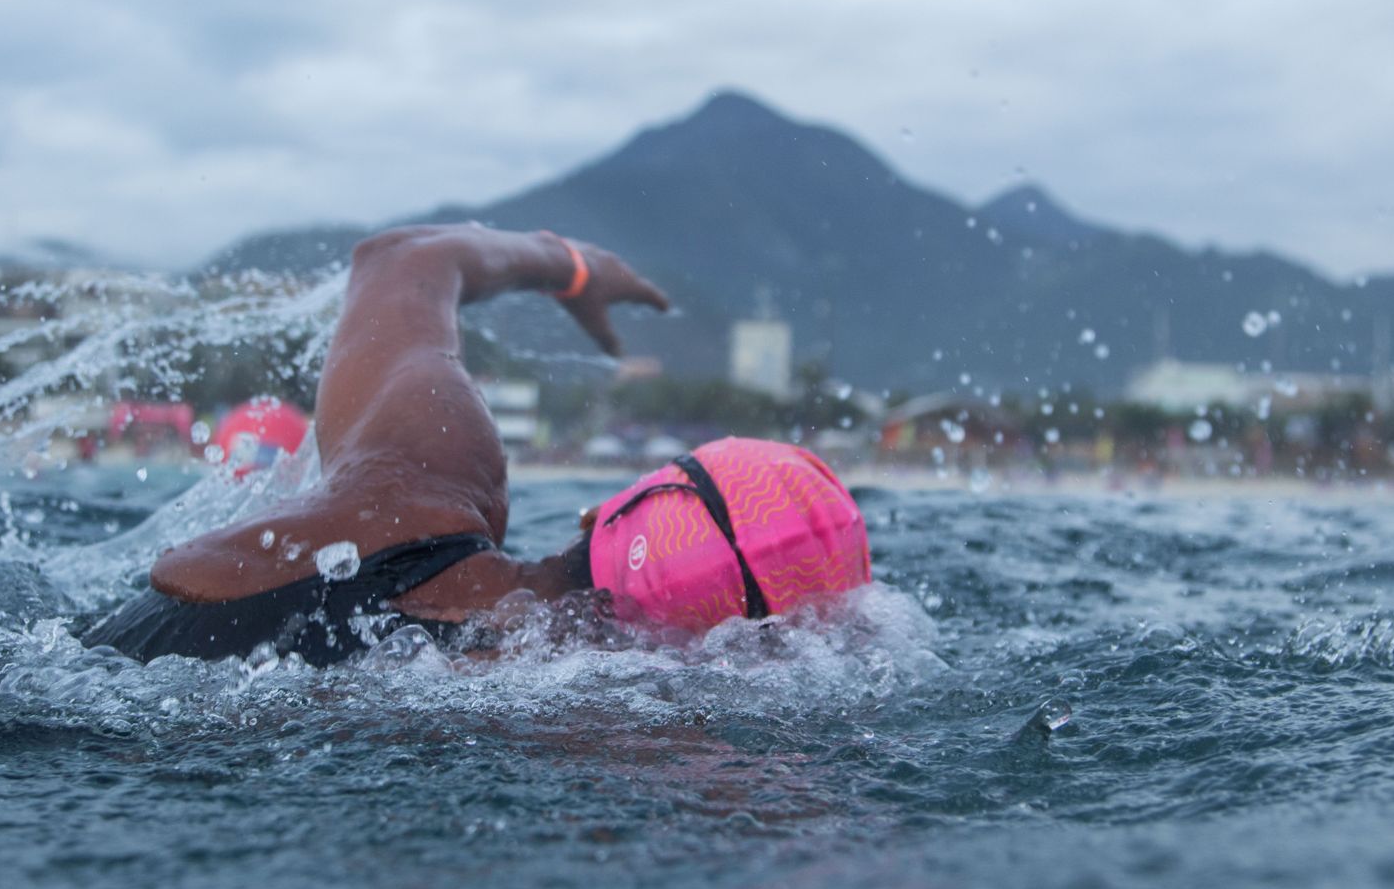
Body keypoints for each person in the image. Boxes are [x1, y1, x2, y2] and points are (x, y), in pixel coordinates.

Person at [85, 226, 871, 665]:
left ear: (608, 509)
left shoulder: (420, 477)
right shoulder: (588, 722)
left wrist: (570, 267)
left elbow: (402, 259)